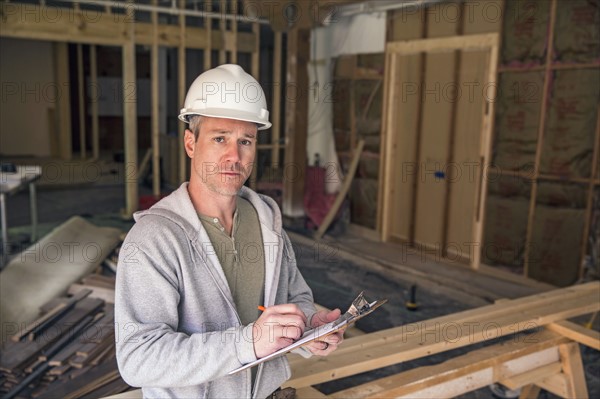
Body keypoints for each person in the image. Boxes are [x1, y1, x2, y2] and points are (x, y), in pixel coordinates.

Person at [114, 64, 343, 399]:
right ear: (191, 143)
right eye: (219, 138)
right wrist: (247, 343)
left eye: (245, 141)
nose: (234, 156)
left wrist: (310, 327)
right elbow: (139, 358)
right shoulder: (155, 240)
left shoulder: (268, 221)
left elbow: (295, 300)